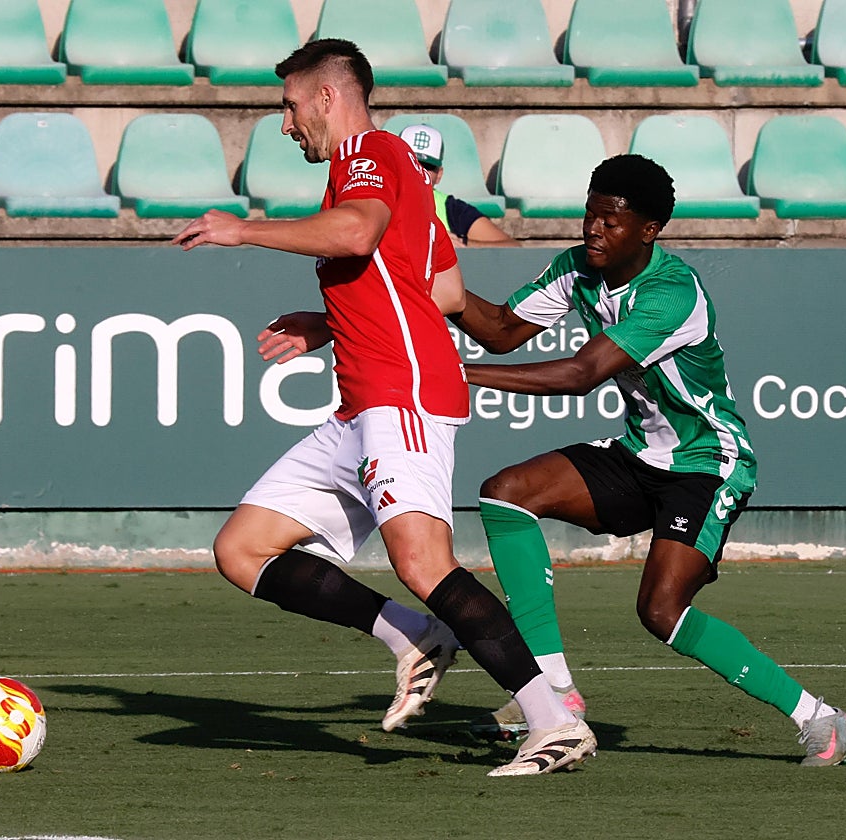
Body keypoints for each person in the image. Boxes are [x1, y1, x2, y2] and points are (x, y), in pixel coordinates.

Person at [172, 38, 594, 776]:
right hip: (363, 399)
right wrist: (328, 323)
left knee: (424, 561)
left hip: (402, 394)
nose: (285, 122)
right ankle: (412, 636)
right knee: (241, 550)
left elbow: (357, 231)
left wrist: (242, 228)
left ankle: (552, 720)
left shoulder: (367, 153)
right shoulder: (399, 174)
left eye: (290, 105)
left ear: (327, 98)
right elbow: (439, 293)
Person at [450, 153, 846, 767]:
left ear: (648, 230)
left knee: (661, 611)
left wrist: (456, 374)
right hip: (642, 453)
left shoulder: (672, 293)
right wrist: (436, 287)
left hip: (707, 462)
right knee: (506, 491)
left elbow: (580, 373)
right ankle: (555, 694)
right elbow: (503, 329)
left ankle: (822, 720)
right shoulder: (577, 268)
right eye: (590, 214)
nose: (593, 229)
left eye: (610, 221)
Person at [397, 123, 520, 249]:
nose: (419, 171)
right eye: (411, 162)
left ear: (439, 174)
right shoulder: (378, 201)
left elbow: (513, 248)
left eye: (427, 167)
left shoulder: (451, 209)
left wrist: (462, 244)